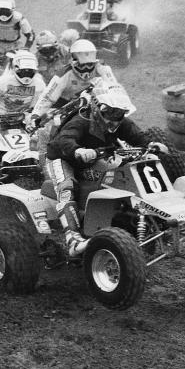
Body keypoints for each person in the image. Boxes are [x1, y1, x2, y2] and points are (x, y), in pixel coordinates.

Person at [45, 83, 167, 256]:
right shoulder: (81, 120)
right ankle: (72, 238)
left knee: (120, 176)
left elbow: (137, 136)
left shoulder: (121, 123)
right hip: (63, 158)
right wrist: (78, 150)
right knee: (67, 187)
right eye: (110, 112)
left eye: (119, 113)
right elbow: (64, 139)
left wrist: (151, 144)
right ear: (97, 107)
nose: (114, 118)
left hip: (94, 158)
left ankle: (134, 222)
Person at [29, 39, 116, 127]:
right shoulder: (64, 73)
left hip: (93, 102)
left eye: (90, 64)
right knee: (57, 125)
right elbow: (48, 97)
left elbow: (114, 86)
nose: (86, 68)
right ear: (74, 60)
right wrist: (36, 115)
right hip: (65, 105)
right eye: (82, 65)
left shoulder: (102, 67)